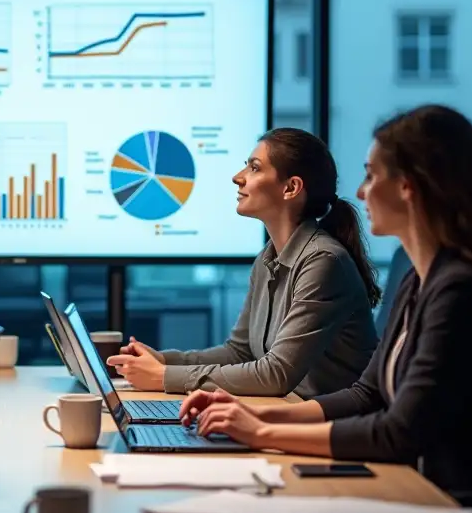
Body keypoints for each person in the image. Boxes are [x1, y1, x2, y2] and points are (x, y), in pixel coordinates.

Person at [179, 106, 472, 513]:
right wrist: (253, 412)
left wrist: (261, 432)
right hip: (431, 498)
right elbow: (368, 394)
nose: (360, 192)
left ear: (408, 187)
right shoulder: (422, 280)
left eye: (370, 175)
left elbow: (398, 433)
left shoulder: (462, 292)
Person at [107, 128, 380, 399]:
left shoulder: (323, 261)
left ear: (291, 188)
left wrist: (164, 377)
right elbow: (240, 352)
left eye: (254, 168)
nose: (238, 178)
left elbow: (276, 375)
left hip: (331, 427)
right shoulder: (268, 257)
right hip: (290, 411)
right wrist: (165, 362)